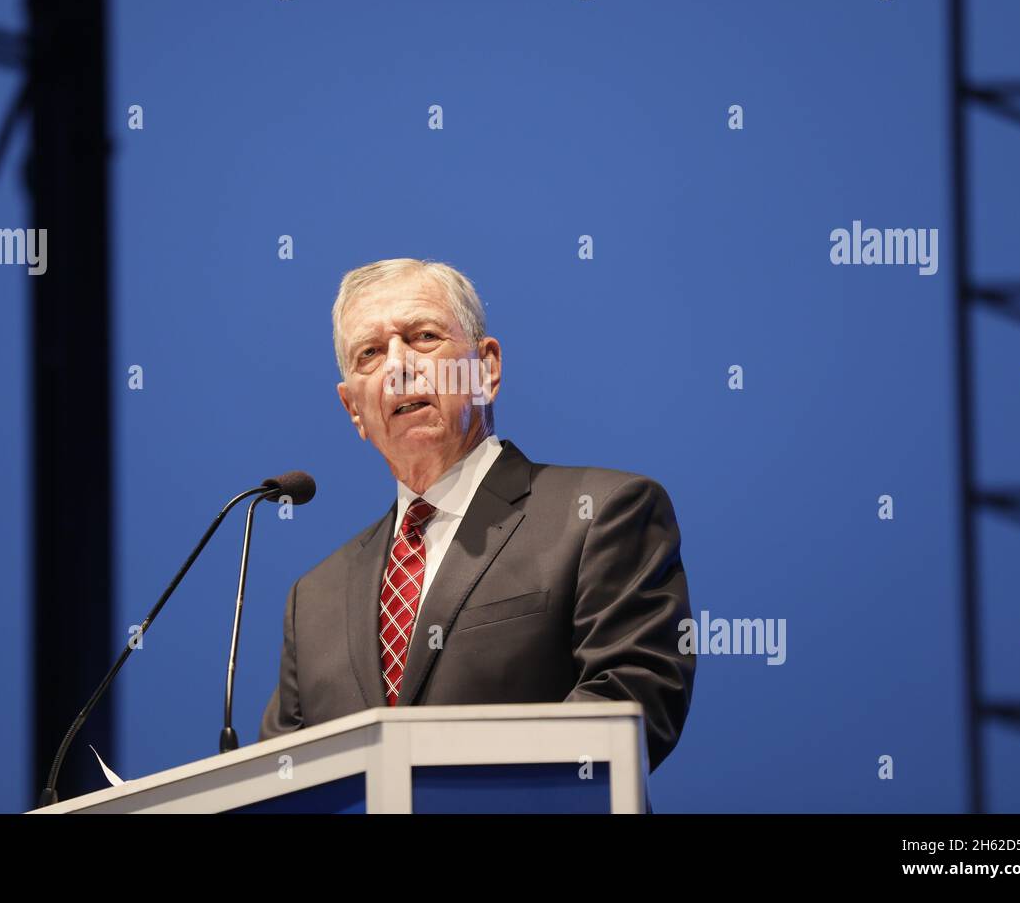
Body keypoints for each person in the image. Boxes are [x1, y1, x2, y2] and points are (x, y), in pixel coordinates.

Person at [258, 257, 694, 773]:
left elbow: (627, 705)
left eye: (423, 337)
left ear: (486, 368)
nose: (397, 365)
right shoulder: (313, 600)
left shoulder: (604, 515)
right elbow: (278, 777)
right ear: (354, 408)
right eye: (370, 354)